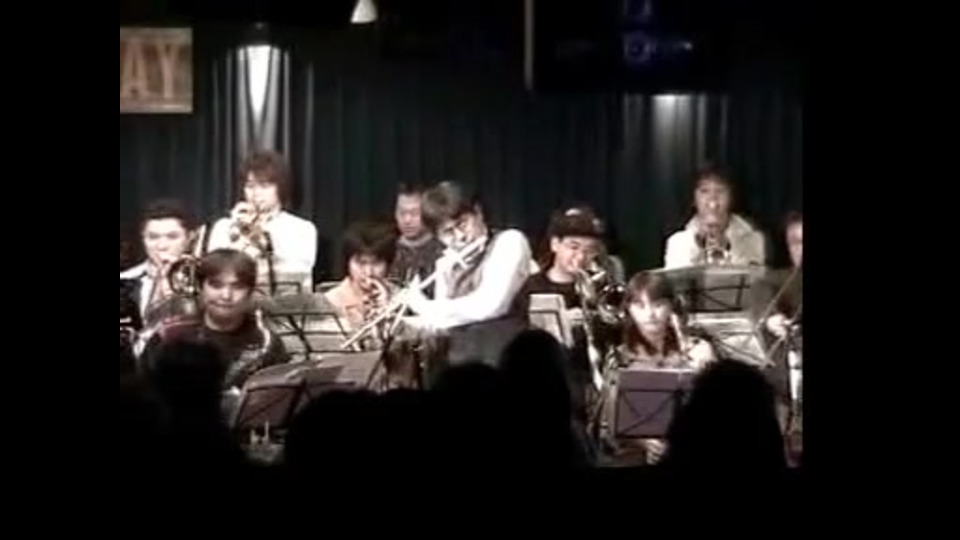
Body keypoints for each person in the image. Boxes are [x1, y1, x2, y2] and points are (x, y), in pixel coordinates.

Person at [399, 181, 533, 376]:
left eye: (462, 224)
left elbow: (490, 305)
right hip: (461, 372)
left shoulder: (510, 242)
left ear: (478, 212)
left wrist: (424, 307)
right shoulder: (445, 264)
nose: (460, 237)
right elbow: (444, 324)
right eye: (448, 233)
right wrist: (406, 324)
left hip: (505, 369)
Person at [602, 271, 716, 464]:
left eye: (658, 304)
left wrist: (703, 372)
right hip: (637, 452)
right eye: (640, 305)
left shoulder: (699, 348)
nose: (650, 314)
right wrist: (644, 442)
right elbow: (608, 424)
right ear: (628, 309)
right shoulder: (619, 357)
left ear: (672, 306)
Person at [140, 249, 290, 391]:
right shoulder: (170, 335)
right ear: (200, 287)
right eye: (216, 285)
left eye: (237, 287)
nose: (226, 295)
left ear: (250, 292)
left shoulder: (267, 343)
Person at [206, 150, 318, 294]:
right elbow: (214, 270)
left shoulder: (302, 228)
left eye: (264, 186)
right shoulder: (224, 227)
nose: (256, 194)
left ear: (281, 187)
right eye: (250, 186)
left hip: (284, 303)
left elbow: (300, 272)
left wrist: (264, 242)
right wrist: (237, 235)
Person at [664, 163, 766, 268]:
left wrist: (726, 247)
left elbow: (753, 274)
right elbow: (678, 276)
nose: (712, 201)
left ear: (732, 197)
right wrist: (698, 246)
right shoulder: (678, 242)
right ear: (694, 198)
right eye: (704, 191)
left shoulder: (753, 239)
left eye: (720, 191)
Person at [324, 221, 398, 347]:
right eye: (361, 263)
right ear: (347, 263)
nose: (369, 272)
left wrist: (387, 311)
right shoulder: (331, 301)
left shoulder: (400, 298)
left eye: (376, 263)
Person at [120, 199, 197, 320]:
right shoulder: (124, 281)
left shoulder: (204, 279)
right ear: (143, 238)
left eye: (172, 237)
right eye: (153, 237)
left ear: (190, 238)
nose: (162, 246)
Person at [388, 183, 445, 286]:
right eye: (402, 213)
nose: (407, 220)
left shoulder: (443, 250)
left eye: (414, 213)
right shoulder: (388, 249)